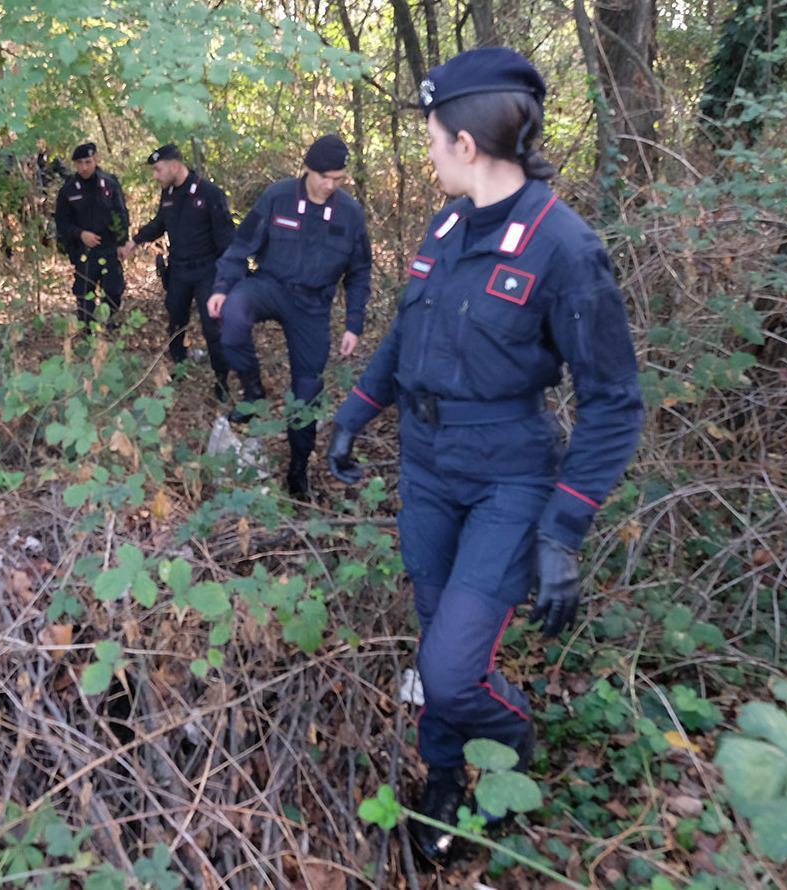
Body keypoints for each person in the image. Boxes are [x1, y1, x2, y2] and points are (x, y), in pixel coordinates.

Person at [325, 48, 644, 861]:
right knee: (436, 638)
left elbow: (613, 403)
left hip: (508, 473)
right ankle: (442, 778)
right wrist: (358, 410)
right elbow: (408, 330)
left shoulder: (565, 248)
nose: (426, 150)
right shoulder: (445, 224)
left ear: (465, 143)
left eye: (431, 136)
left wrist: (563, 527)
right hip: (428, 467)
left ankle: (510, 745)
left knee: (455, 666)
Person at [207, 134, 372, 497]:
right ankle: (252, 392)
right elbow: (241, 246)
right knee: (233, 315)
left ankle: (299, 469)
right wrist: (222, 287)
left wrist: (354, 324)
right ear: (308, 169)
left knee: (308, 389)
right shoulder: (277, 196)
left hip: (313, 305)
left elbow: (360, 273)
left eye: (338, 179)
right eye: (324, 176)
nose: (330, 185)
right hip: (270, 286)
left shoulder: (350, 213)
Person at [120, 143, 237, 400]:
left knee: (212, 328)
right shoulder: (169, 194)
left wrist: (229, 279)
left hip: (208, 271)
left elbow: (227, 241)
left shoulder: (209, 194)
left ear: (175, 166)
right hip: (179, 271)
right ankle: (180, 365)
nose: (155, 176)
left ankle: (222, 382)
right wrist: (134, 241)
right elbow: (160, 223)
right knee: (176, 322)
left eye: (158, 170)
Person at [54, 142, 130, 327]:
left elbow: (121, 214)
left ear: (96, 159)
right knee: (84, 293)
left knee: (113, 290)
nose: (84, 167)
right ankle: (87, 330)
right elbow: (61, 222)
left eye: (88, 162)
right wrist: (80, 234)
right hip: (83, 250)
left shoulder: (110, 184)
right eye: (79, 163)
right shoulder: (68, 190)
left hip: (109, 247)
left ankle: (107, 325)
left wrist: (122, 242)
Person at [0, 133, 30, 259]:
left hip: (22, 196)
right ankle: (7, 254)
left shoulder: (24, 155)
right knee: (6, 227)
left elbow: (34, 173)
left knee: (27, 224)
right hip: (4, 197)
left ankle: (30, 253)